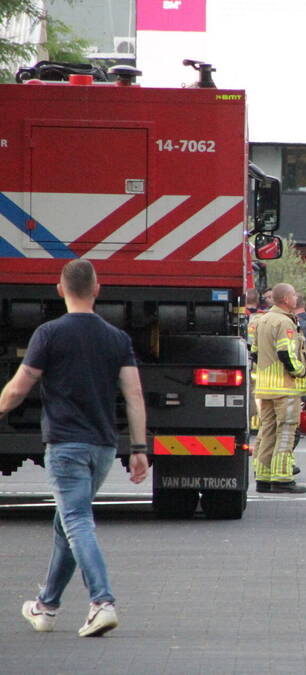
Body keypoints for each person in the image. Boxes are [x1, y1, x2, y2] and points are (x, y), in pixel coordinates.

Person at [1, 259, 148, 637]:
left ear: (59, 289)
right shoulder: (117, 338)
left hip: (66, 444)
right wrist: (138, 447)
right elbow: (133, 396)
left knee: (77, 521)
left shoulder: (48, 334)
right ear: (97, 290)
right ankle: (46, 606)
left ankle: (102, 602)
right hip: (101, 447)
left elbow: (19, 388)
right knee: (65, 522)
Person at [252, 283, 306, 494]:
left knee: (267, 431)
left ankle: (264, 477)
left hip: (265, 387)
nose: (296, 298)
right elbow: (286, 354)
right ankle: (282, 478)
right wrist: (300, 372)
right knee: (286, 431)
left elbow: (255, 353)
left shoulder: (262, 320)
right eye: (294, 295)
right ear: (286, 299)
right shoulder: (285, 322)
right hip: (284, 388)